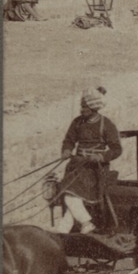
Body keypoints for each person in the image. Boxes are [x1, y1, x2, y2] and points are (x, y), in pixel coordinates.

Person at [54, 88, 122, 234]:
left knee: (70, 193)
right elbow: (69, 140)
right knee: (69, 193)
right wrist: (66, 150)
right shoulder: (77, 122)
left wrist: (101, 156)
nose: (82, 110)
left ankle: (83, 223)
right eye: (81, 106)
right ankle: (67, 229)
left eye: (85, 107)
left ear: (94, 108)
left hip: (95, 170)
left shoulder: (107, 124)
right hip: (76, 166)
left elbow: (116, 149)